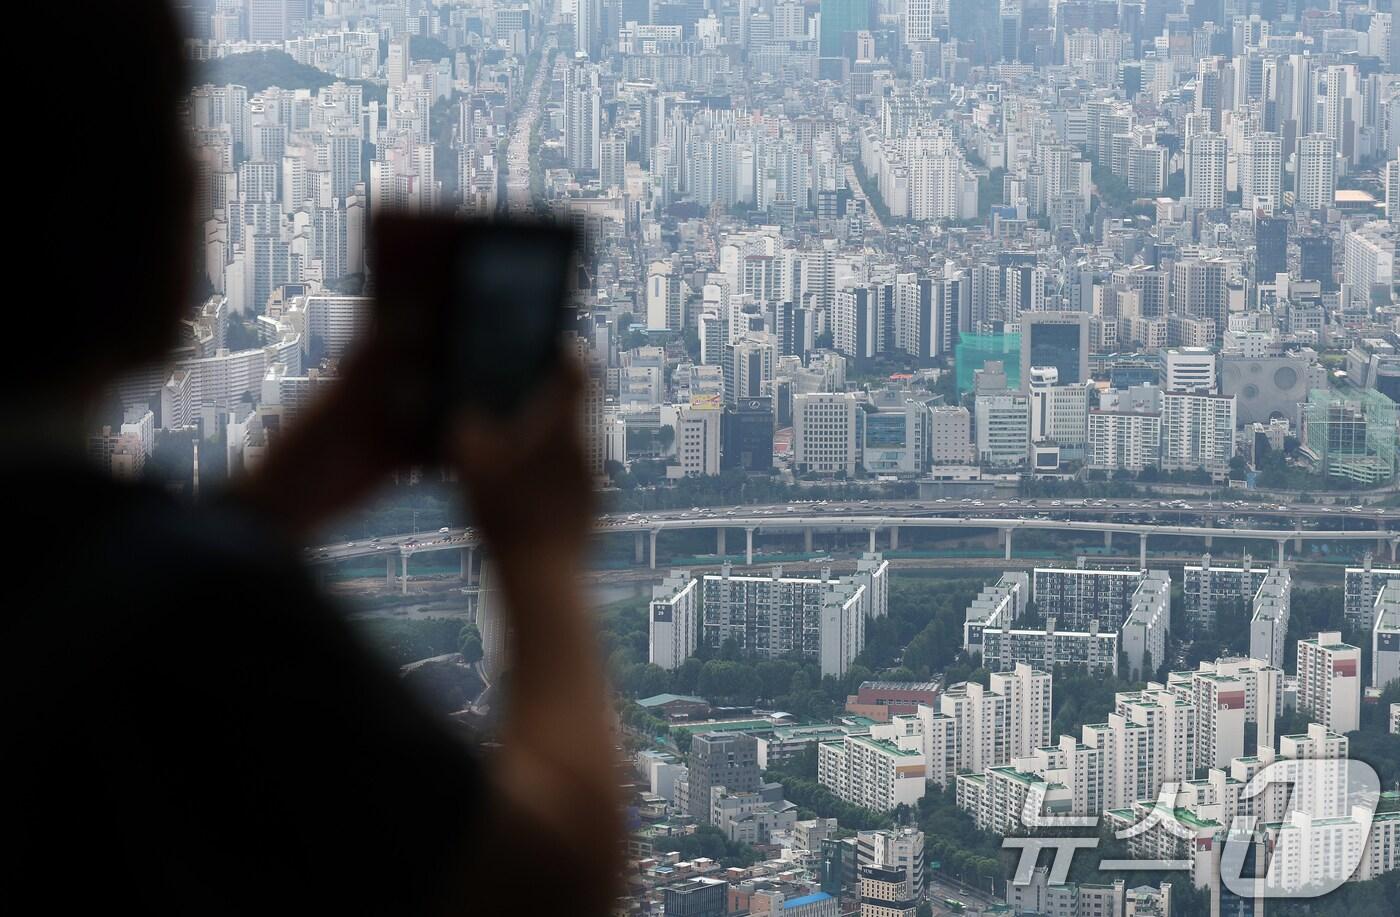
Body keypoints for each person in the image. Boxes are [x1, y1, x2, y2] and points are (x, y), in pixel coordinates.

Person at [8, 3, 622, 913]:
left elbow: (80, 611)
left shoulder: (103, 575)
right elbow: (556, 878)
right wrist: (537, 547)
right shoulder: (214, 624)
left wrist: (271, 502)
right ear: (134, 200)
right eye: (181, 124)